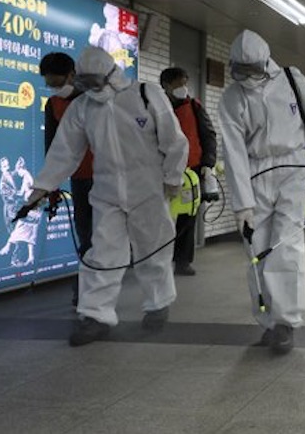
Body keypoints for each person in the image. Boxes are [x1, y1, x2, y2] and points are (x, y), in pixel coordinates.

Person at [21, 47, 189, 346]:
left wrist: (172, 178)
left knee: (153, 248)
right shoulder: (82, 107)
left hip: (148, 188)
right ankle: (95, 316)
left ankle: (157, 304)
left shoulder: (145, 94)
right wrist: (41, 188)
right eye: (86, 83)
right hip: (107, 190)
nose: (91, 89)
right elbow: (64, 151)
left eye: (95, 82)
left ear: (112, 75)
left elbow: (174, 140)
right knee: (102, 252)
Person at [220, 29, 305, 354]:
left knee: (287, 244)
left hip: (294, 167)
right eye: (241, 71)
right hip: (256, 168)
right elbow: (233, 150)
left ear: (266, 63)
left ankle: (287, 321)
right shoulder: (231, 97)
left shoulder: (291, 79)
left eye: (253, 70)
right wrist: (242, 203)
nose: (248, 78)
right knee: (256, 249)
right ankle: (268, 322)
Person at [40, 52, 95, 304]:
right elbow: (52, 148)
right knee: (86, 234)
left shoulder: (94, 99)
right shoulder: (53, 105)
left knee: (102, 236)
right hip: (80, 179)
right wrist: (50, 186)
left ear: (72, 75)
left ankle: (91, 288)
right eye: (49, 84)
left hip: (107, 176)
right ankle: (85, 288)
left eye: (57, 83)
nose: (54, 88)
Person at [160, 67, 219, 276]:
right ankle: (159, 259)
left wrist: (208, 164)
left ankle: (182, 261)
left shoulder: (194, 106)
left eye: (185, 82)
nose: (183, 88)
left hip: (190, 172)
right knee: (160, 217)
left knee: (187, 217)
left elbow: (208, 135)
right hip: (162, 172)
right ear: (166, 85)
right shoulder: (156, 108)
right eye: (179, 83)